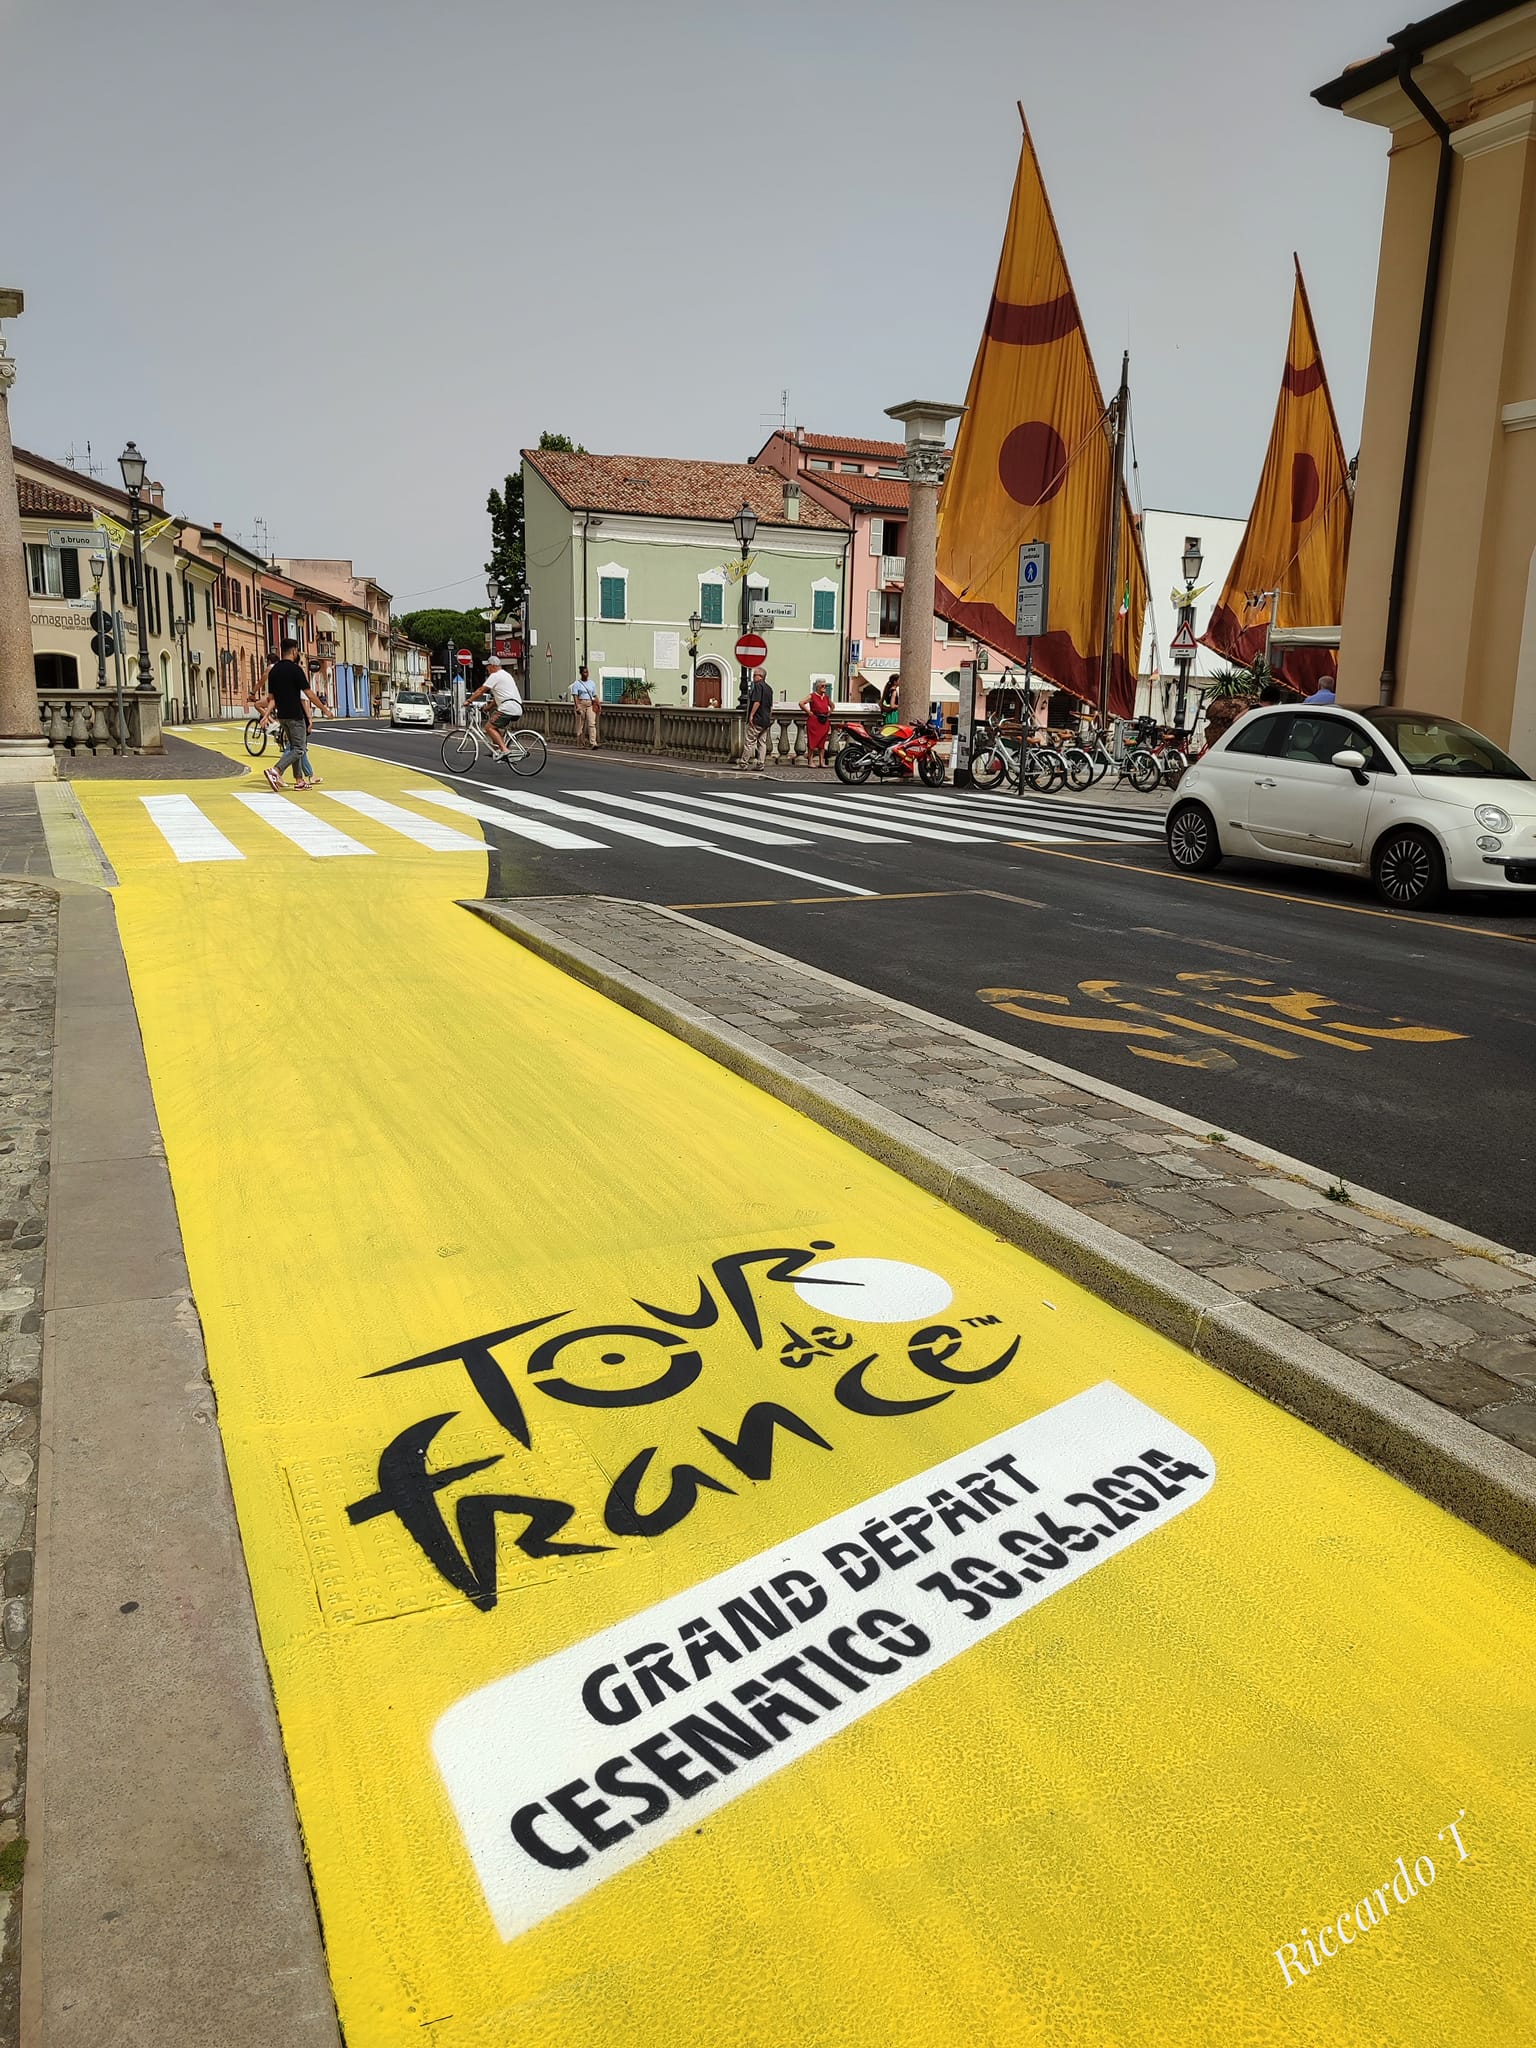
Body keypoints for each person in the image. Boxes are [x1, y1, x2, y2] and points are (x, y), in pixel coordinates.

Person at [262, 639, 323, 790]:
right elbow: (309, 694)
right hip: (295, 716)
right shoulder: (296, 670)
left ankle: (299, 781)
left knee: (295, 746)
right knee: (299, 749)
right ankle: (276, 770)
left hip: (282, 716)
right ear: (294, 650)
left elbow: (271, 698)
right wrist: (324, 709)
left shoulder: (274, 671)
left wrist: (266, 714)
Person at [467, 655, 523, 755]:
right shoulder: (506, 675)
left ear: (493, 666)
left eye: (488, 666)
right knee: (495, 725)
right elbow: (499, 698)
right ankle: (496, 750)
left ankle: (504, 750)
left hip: (507, 708)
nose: (487, 668)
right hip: (517, 707)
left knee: (489, 727)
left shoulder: (495, 676)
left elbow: (481, 690)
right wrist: (488, 707)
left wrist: (468, 701)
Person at [741, 669, 774, 772]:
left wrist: (751, 715)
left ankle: (743, 763)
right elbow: (770, 706)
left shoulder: (758, 686)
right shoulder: (769, 688)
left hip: (758, 718)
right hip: (765, 719)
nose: (753, 677)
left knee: (749, 741)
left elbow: (757, 702)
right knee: (762, 742)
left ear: (760, 676)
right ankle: (761, 764)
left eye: (754, 675)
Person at [799, 681, 832, 767]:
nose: (824, 687)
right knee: (812, 742)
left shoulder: (826, 697)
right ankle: (810, 761)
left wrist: (829, 712)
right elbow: (801, 703)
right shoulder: (812, 696)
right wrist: (809, 712)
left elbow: (832, 705)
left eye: (825, 686)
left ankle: (821, 762)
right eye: (822, 685)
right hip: (815, 721)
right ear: (817, 687)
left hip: (824, 721)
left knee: (822, 742)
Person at [569, 664, 601, 748]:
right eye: (584, 672)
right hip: (581, 703)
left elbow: (594, 695)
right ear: (581, 673)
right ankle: (580, 743)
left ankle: (593, 742)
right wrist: (577, 707)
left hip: (590, 704)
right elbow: (575, 696)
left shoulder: (591, 683)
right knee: (580, 725)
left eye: (587, 672)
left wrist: (598, 704)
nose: (586, 674)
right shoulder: (577, 684)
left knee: (592, 723)